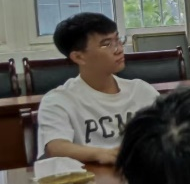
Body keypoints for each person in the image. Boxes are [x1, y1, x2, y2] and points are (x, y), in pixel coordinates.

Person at [37, 13, 159, 165]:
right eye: (106, 44)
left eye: (118, 39)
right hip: (91, 177)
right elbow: (56, 147)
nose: (119, 49)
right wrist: (101, 154)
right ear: (79, 57)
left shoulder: (141, 90)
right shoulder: (58, 100)